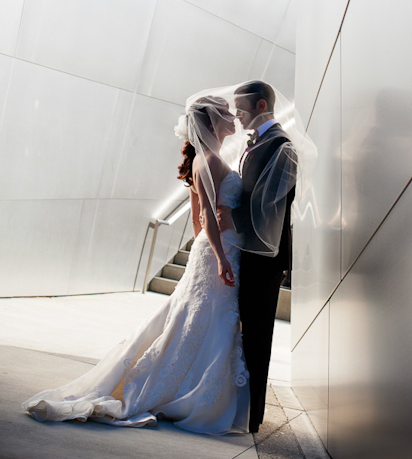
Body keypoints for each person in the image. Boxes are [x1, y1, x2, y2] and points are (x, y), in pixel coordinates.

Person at [22, 96, 250, 435]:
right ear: (213, 120)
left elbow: (197, 219)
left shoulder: (207, 159)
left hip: (218, 249)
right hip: (221, 251)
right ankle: (188, 393)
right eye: (227, 113)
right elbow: (206, 218)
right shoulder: (210, 160)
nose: (233, 118)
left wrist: (208, 249)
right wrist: (218, 256)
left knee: (199, 318)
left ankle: (186, 385)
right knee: (210, 318)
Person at [219, 81, 298, 433]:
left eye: (241, 110)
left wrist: (230, 217)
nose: (237, 117)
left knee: (257, 333)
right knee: (245, 331)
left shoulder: (281, 146)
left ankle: (253, 414)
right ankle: (239, 405)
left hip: (266, 258)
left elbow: (270, 204)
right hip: (249, 251)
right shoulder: (259, 142)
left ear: (262, 105)